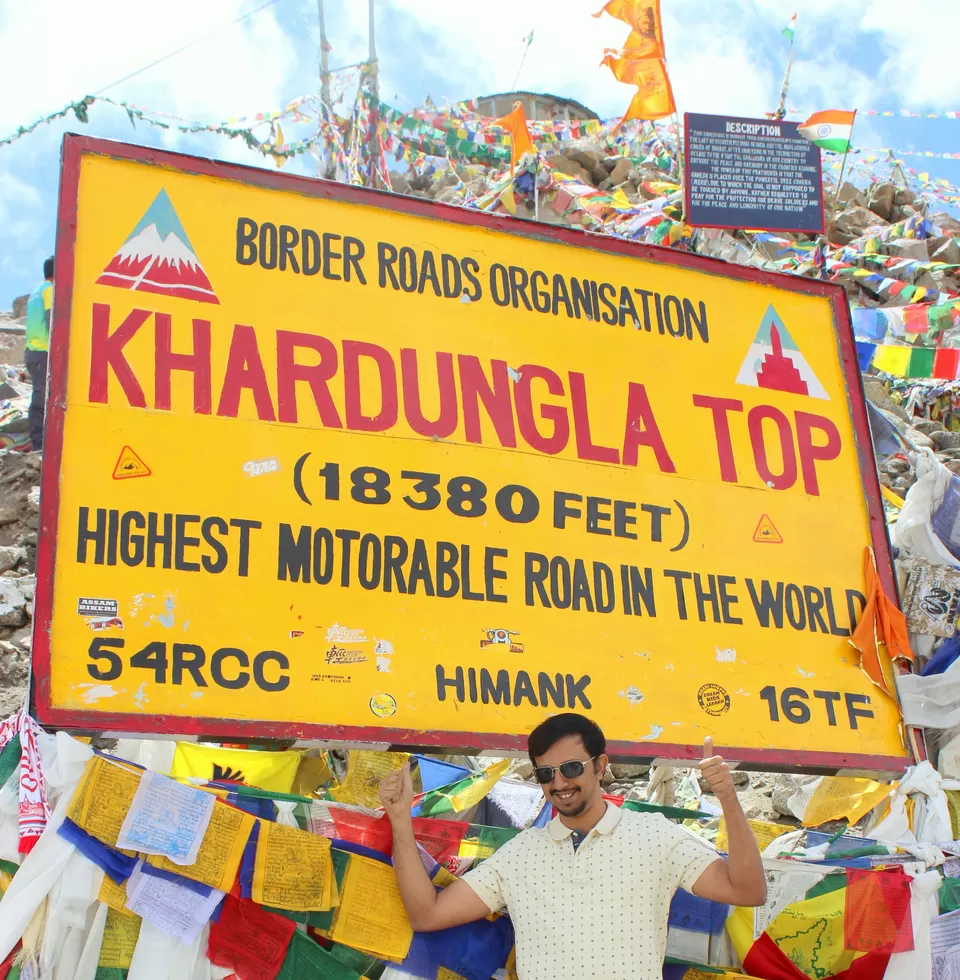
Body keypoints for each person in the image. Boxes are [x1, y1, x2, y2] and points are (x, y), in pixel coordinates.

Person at [379, 713, 766, 979]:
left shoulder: (655, 836)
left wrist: (728, 797)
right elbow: (427, 915)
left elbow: (746, 890)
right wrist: (399, 818)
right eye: (546, 773)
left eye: (571, 768)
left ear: (600, 766)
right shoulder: (519, 856)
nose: (560, 782)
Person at [24, 256, 54, 453]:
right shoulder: (50, 290)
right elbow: (53, 320)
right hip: (43, 351)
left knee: (40, 393)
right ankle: (39, 443)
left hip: (31, 352)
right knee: (42, 396)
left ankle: (40, 441)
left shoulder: (35, 293)